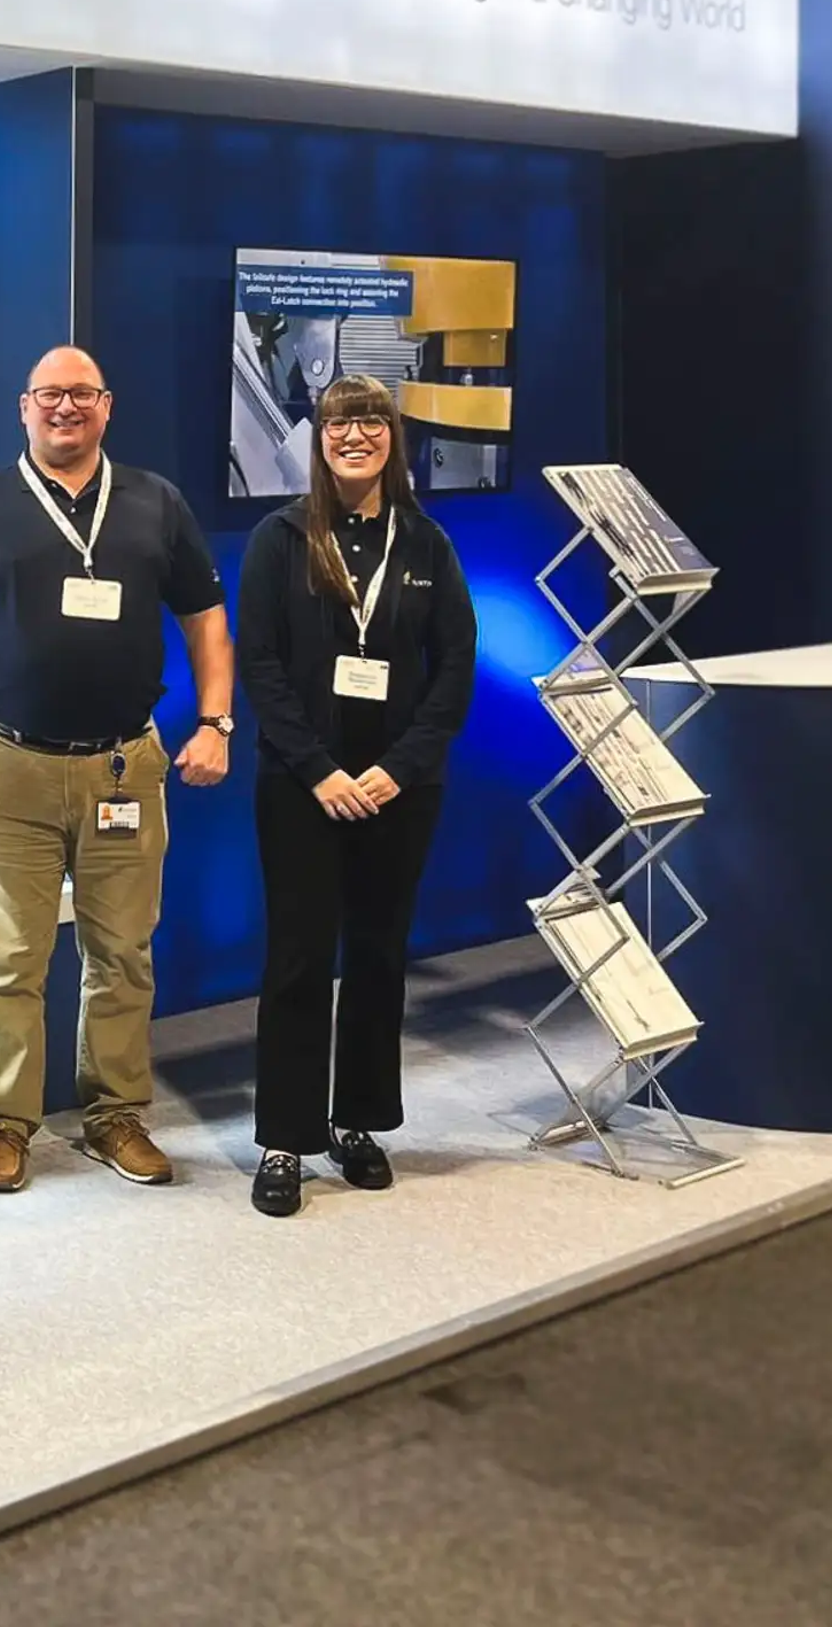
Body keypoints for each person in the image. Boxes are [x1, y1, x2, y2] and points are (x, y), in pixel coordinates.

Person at [0, 345, 234, 1194]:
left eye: (82, 394)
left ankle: (115, 1115)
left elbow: (205, 616)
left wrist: (215, 722)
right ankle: (6, 1124)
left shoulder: (155, 502)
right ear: (24, 406)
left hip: (122, 767)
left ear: (107, 405)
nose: (66, 408)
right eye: (50, 394)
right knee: (8, 960)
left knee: (122, 954)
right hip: (4, 767)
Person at [235, 374, 477, 1218]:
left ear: (393, 437)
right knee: (299, 959)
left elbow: (455, 669)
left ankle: (359, 1123)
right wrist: (320, 771)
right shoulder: (278, 539)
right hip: (303, 787)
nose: (356, 435)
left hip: (398, 791)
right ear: (319, 437)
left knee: (378, 957)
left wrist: (400, 767)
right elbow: (259, 665)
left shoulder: (427, 544)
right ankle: (284, 1138)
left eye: (373, 421)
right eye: (340, 422)